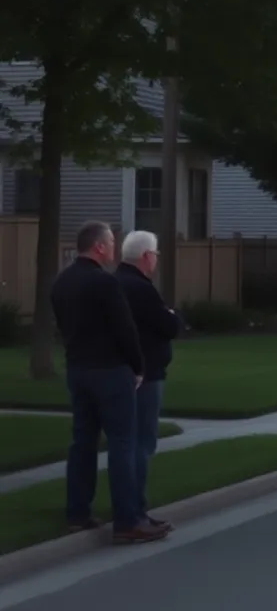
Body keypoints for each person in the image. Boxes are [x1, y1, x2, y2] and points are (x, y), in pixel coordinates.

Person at [50, 221, 169, 545]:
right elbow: (124, 328)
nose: (114, 249)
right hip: (110, 370)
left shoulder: (62, 282)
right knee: (123, 442)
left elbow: (62, 326)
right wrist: (137, 365)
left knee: (83, 440)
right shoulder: (104, 283)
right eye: (111, 244)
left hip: (78, 368)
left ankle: (77, 512)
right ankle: (128, 519)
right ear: (99, 247)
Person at [115, 230, 183, 532]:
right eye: (155, 254)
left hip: (121, 371)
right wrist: (172, 315)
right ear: (146, 256)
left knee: (127, 443)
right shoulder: (141, 288)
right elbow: (168, 325)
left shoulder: (115, 282)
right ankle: (135, 512)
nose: (155, 259)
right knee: (141, 444)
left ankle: (132, 509)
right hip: (146, 373)